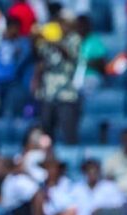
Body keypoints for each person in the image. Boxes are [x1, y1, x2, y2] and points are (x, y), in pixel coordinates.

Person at [34, 15, 81, 144]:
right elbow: (40, 58)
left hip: (66, 92)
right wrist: (35, 38)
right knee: (46, 128)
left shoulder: (74, 39)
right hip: (48, 91)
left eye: (66, 24)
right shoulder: (49, 39)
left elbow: (69, 55)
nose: (64, 27)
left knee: (68, 130)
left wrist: (53, 41)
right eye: (61, 24)